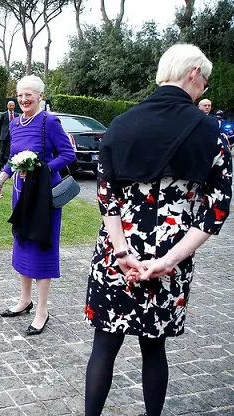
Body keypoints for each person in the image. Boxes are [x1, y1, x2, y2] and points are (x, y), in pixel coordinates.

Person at [84, 44, 232, 416]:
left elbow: (106, 196)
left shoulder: (120, 124)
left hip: (117, 254)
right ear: (194, 72)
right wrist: (169, 260)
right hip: (172, 252)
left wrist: (120, 252)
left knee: (104, 344)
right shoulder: (211, 133)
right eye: (206, 80)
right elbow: (216, 211)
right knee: (155, 347)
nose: (206, 88)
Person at [0, 75, 75, 336]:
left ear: (40, 96)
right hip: (21, 195)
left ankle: (42, 311)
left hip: (44, 198)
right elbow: (12, 159)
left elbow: (68, 154)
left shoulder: (50, 122)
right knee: (23, 242)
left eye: (29, 94)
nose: (24, 99)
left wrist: (38, 170)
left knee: (41, 246)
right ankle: (24, 301)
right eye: (20, 95)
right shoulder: (16, 124)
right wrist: (1, 179)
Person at [0, 100, 20, 171]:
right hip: (4, 135)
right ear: (7, 106)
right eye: (10, 105)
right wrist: (1, 133)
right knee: (2, 151)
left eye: (12, 105)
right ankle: (1, 165)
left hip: (13, 135)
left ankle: (11, 166)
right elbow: (0, 125)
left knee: (12, 151)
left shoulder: (16, 115)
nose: (11, 107)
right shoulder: (3, 114)